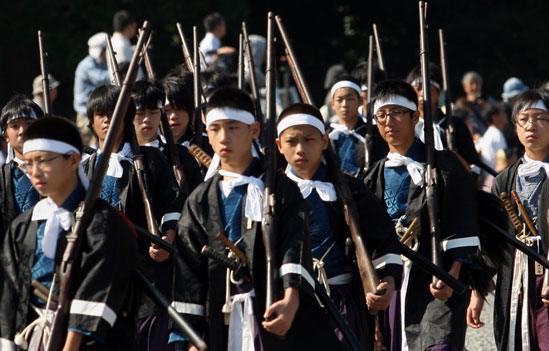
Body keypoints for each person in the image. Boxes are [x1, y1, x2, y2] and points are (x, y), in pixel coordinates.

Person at [169, 87, 343, 351]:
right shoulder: (200, 199)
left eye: (233, 127)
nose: (223, 137)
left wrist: (291, 297)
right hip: (220, 314)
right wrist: (190, 338)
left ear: (254, 130)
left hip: (274, 308)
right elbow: (188, 271)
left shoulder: (280, 189)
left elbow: (294, 245)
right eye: (214, 129)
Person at [471, 89, 549, 350]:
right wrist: (478, 291)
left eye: (540, 118)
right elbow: (493, 243)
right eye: (524, 118)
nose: (531, 126)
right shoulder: (503, 180)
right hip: (515, 282)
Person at [0, 117, 138, 350]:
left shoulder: (102, 222)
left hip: (90, 343)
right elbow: (10, 291)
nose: (34, 172)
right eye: (29, 163)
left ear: (73, 160)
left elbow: (99, 288)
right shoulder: (22, 226)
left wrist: (70, 345)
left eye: (43, 161)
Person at [364, 80, 481, 350]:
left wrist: (451, 274)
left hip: (436, 278)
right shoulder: (374, 174)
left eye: (396, 113)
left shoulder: (445, 165)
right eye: (381, 115)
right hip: (392, 280)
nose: (388, 121)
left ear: (415, 115)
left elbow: (463, 221)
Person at [276, 102, 402, 346]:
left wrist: (388, 278)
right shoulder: (271, 193)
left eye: (309, 140)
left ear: (324, 141)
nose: (300, 149)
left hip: (342, 300)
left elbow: (383, 236)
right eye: (292, 141)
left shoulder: (349, 188)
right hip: (290, 302)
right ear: (279, 145)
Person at [82, 85, 183, 351]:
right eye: (101, 113)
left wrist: (167, 237)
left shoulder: (150, 160)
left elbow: (171, 204)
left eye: (114, 113)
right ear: (91, 120)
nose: (107, 120)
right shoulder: (84, 169)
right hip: (99, 281)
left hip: (145, 278)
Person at [407, 64, 483, 176]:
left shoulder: (455, 125)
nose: (423, 93)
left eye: (428, 88)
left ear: (438, 92)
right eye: (418, 89)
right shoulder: (407, 126)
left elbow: (472, 164)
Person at [131, 80, 203, 192]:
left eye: (153, 112)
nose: (147, 119)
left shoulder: (182, 155)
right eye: (140, 113)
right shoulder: (122, 157)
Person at [327, 77, 388, 177]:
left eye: (350, 99)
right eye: (339, 100)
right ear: (333, 104)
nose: (345, 104)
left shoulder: (374, 133)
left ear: (360, 101)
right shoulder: (327, 135)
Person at [0, 96, 43, 237]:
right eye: (14, 126)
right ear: (5, 134)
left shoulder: (61, 169)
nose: (22, 131)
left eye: (29, 123)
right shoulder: (2, 178)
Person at [73, 32, 110, 146]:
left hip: (96, 111)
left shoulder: (101, 63)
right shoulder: (87, 65)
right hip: (85, 113)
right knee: (91, 147)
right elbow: (104, 79)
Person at [477, 103, 509, 191]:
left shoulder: (489, 134)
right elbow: (502, 163)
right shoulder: (496, 135)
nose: (505, 115)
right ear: (495, 117)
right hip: (496, 183)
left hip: (490, 182)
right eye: (502, 113)